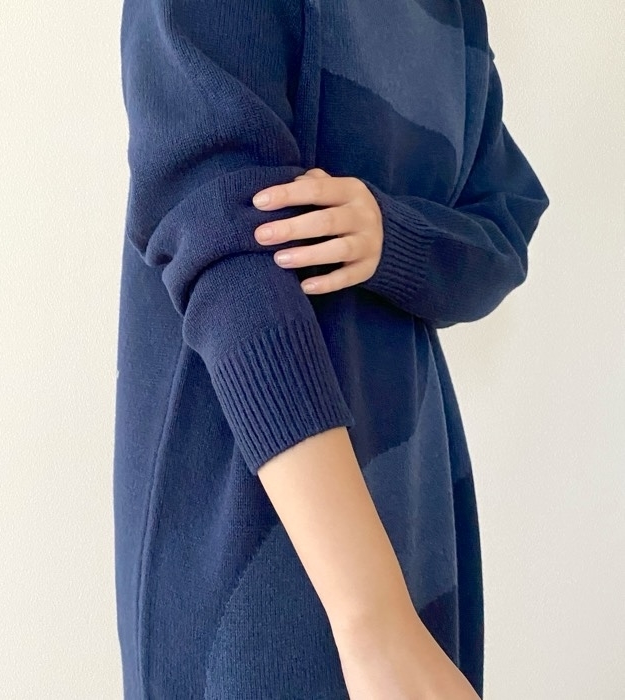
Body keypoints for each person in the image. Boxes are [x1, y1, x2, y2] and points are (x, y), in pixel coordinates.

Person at [113, 0, 550, 698]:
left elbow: (504, 224)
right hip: (258, 509)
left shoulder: (457, 14)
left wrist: (392, 236)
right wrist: (373, 619)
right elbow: (224, 235)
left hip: (413, 501)